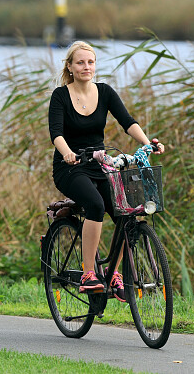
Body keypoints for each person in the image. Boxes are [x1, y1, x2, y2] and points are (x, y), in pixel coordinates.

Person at [48, 41, 164, 302]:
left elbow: (127, 121)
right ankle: (89, 273)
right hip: (71, 168)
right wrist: (67, 152)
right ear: (70, 66)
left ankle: (115, 274)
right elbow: (56, 133)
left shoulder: (105, 92)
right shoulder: (60, 96)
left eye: (90, 62)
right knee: (96, 205)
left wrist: (148, 143)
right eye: (80, 62)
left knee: (127, 211)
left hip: (101, 165)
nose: (86, 67)